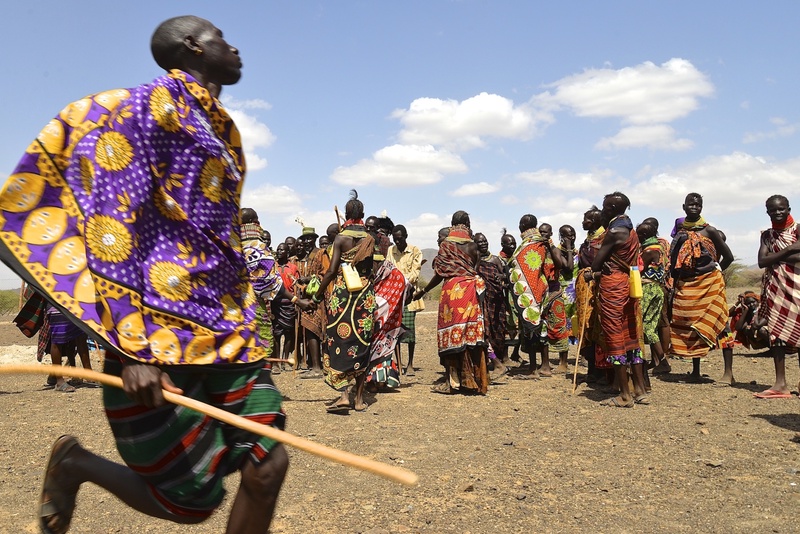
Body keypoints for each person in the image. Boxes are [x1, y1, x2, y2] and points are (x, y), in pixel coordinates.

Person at [0, 16, 290, 533]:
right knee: (190, 502)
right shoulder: (144, 109)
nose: (235, 46)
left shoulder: (217, 124)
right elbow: (114, 221)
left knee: (268, 466)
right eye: (222, 38)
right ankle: (76, 465)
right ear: (192, 47)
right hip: (161, 334)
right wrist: (133, 348)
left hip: (229, 330)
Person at [414, 211, 489, 395]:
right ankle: (475, 381)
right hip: (470, 291)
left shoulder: (446, 245)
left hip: (452, 293)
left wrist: (423, 291)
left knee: (451, 337)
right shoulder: (472, 246)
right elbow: (475, 270)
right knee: (471, 338)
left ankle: (452, 383)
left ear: (452, 224)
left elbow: (439, 273)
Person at [315, 191, 376, 413]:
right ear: (363, 215)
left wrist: (317, 294)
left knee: (340, 342)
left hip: (342, 296)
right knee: (361, 344)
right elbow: (374, 271)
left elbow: (331, 272)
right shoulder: (370, 240)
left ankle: (343, 395)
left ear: (346, 214)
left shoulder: (340, 239)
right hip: (364, 297)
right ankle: (358, 400)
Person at [585, 192, 647, 407]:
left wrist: (593, 273)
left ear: (611, 208)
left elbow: (596, 265)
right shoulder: (631, 230)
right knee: (631, 334)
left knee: (614, 336)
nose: (602, 210)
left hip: (614, 286)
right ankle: (639, 390)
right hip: (629, 284)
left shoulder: (614, 231)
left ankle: (624, 395)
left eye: (604, 206)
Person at [669, 193, 733, 383]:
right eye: (691, 204)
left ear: (702, 207)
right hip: (687, 286)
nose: (695, 207)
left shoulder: (710, 231)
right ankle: (695, 371)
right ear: (684, 206)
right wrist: (675, 284)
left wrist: (718, 272)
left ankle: (728, 374)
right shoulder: (680, 235)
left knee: (721, 322)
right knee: (692, 326)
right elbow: (673, 264)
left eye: (698, 204)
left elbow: (728, 256)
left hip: (710, 283)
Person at [754, 195, 800, 398]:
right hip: (777, 289)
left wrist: (776, 256)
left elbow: (769, 258)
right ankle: (780, 384)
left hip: (797, 288)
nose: (777, 213)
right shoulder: (767, 235)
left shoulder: (798, 229)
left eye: (781, 209)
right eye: (773, 210)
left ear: (789, 209)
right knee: (778, 334)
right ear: (767, 212)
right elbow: (762, 261)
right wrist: (789, 249)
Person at [508, 214, 563, 378]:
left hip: (534, 292)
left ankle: (535, 368)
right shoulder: (537, 242)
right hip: (537, 290)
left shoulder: (536, 243)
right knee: (541, 327)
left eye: (520, 223)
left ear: (523, 225)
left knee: (532, 328)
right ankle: (543, 366)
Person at [574, 206, 610, 383]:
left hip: (598, 287)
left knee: (599, 326)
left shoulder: (605, 240)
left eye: (586, 219)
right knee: (586, 327)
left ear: (595, 221)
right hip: (584, 289)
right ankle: (592, 370)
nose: (583, 222)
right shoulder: (587, 241)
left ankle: (603, 371)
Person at [386, 224, 423, 376]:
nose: (398, 242)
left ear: (406, 237)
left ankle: (410, 363)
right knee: (395, 330)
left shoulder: (415, 251)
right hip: (394, 296)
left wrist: (402, 281)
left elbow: (416, 272)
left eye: (400, 239)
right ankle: (399, 362)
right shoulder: (390, 250)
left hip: (410, 296)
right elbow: (389, 267)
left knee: (409, 330)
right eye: (395, 240)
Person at [540, 223, 574, 375]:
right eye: (541, 232)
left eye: (546, 232)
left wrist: (552, 247)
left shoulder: (555, 250)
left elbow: (563, 266)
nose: (543, 234)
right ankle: (545, 364)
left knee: (560, 327)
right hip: (540, 294)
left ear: (551, 233)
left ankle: (563, 363)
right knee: (542, 328)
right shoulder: (536, 250)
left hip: (555, 292)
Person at [474, 232, 509, 378]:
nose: (483, 243)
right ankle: (491, 361)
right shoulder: (474, 261)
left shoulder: (495, 259)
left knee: (498, 329)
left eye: (485, 241)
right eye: (479, 242)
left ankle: (498, 360)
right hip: (482, 300)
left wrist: (499, 277)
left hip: (496, 299)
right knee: (486, 329)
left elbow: (505, 276)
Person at [637, 221, 669, 375]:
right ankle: (661, 361)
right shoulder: (660, 247)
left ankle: (642, 362)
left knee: (640, 325)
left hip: (648, 289)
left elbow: (637, 270)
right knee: (649, 327)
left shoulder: (649, 251)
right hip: (656, 289)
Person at [295, 226, 326, 377]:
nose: (307, 241)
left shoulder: (320, 253)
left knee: (318, 331)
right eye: (304, 239)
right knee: (309, 330)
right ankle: (315, 365)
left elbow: (325, 273)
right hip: (306, 298)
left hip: (318, 298)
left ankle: (318, 367)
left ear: (314, 239)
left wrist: (309, 279)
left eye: (309, 239)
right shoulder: (304, 256)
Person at [499, 230, 521, 362]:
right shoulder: (499, 260)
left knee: (519, 326)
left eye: (514, 243)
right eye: (510, 244)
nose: (513, 246)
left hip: (517, 296)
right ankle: (505, 356)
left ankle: (515, 353)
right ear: (502, 245)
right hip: (505, 297)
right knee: (507, 326)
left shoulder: (516, 258)